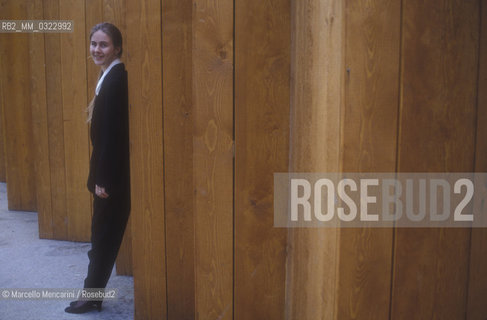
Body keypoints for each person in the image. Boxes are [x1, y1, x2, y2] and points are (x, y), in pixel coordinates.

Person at [65, 22, 130, 314]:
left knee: (101, 238)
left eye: (103, 45)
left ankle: (91, 296)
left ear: (116, 47)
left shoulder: (116, 80)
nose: (97, 50)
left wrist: (102, 180)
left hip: (111, 179)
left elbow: (110, 137)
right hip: (109, 175)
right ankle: (92, 294)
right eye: (94, 44)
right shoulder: (109, 76)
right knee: (101, 237)